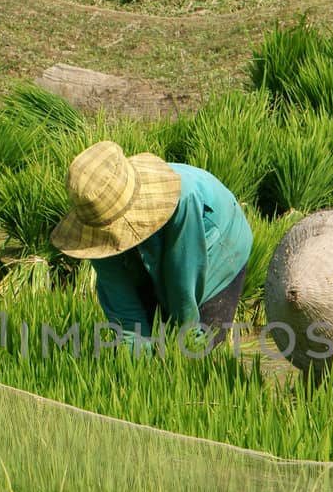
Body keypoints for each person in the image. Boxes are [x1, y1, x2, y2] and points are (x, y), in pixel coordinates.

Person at [50, 141, 253, 352]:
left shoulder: (182, 199)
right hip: (162, 252)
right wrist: (133, 356)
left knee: (194, 347)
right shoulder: (94, 223)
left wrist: (187, 337)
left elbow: (182, 276)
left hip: (218, 244)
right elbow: (122, 303)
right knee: (148, 334)